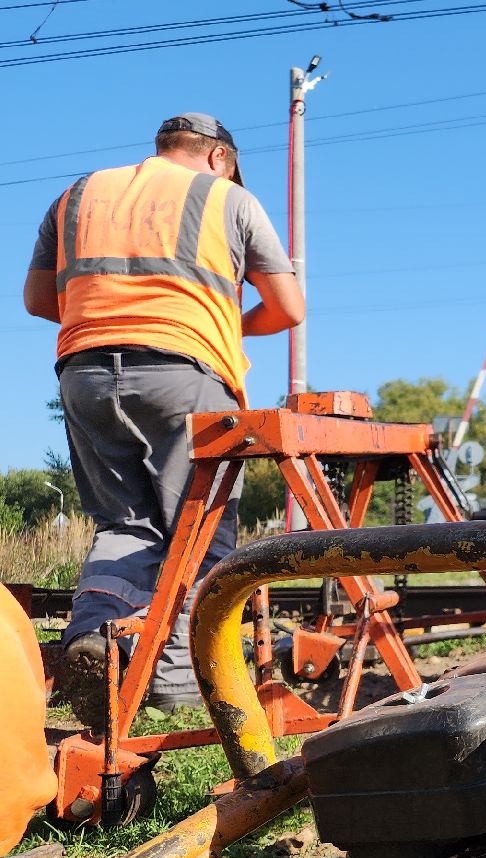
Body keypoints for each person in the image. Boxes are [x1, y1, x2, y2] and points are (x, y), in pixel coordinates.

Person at [21, 114, 305, 722]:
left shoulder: (76, 195)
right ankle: (179, 689)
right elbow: (288, 307)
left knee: (124, 525)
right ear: (220, 157)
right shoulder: (226, 197)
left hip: (84, 374)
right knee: (199, 534)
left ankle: (92, 638)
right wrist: (221, 324)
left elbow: (38, 301)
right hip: (184, 374)